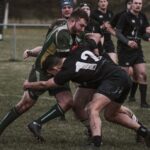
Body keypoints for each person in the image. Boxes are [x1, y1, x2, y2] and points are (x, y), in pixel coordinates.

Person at [23, 33, 150, 149]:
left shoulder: (66, 71)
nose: (52, 75)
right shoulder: (74, 50)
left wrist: (28, 84)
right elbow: (94, 37)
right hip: (109, 77)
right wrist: (95, 47)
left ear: (55, 68)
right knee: (108, 114)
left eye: (50, 73)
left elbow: (45, 84)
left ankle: (96, 143)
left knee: (93, 108)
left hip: (113, 78)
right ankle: (144, 131)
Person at [0, 9, 89, 142]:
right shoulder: (63, 33)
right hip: (42, 70)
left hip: (58, 70)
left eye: (84, 27)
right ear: (72, 21)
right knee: (25, 104)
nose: (82, 29)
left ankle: (37, 124)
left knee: (67, 102)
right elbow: (66, 62)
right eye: (81, 25)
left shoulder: (72, 31)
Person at [116, 0, 150, 108]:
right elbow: (118, 32)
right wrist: (127, 42)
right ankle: (117, 100)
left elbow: (143, 34)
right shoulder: (124, 16)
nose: (138, 5)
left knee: (142, 74)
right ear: (131, 4)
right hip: (124, 50)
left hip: (137, 50)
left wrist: (148, 37)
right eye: (136, 3)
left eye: (140, 3)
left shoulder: (143, 17)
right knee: (124, 78)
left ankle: (143, 103)